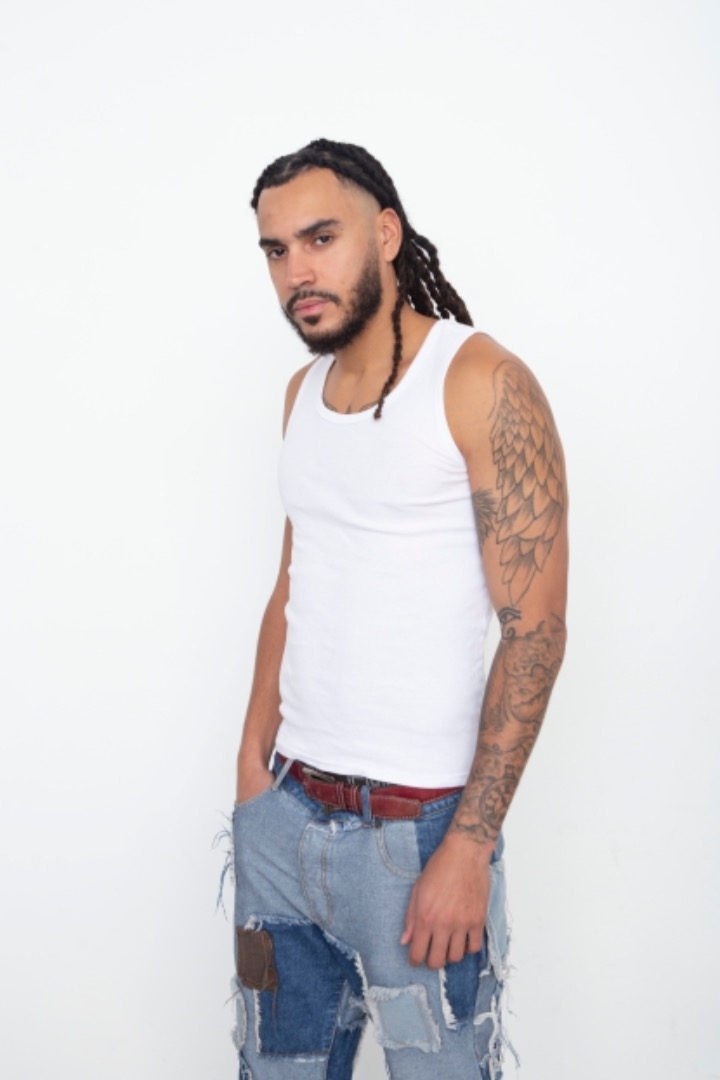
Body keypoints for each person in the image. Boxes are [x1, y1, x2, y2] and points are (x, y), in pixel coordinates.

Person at [229, 138, 568, 1080]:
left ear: (385, 234)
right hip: (285, 818)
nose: (297, 273)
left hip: (419, 839)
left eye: (321, 238)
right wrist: (252, 769)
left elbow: (535, 630)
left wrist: (470, 845)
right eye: (276, 250)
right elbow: (292, 584)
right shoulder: (301, 394)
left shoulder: (480, 381)